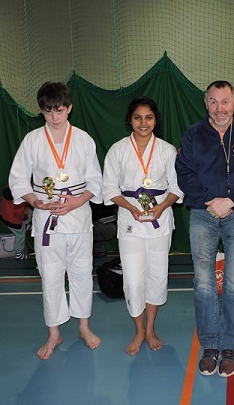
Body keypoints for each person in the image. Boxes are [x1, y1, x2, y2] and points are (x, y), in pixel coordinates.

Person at [175, 80, 234, 377]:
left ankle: (230, 346)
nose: (219, 108)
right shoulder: (193, 135)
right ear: (206, 104)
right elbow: (184, 173)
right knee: (203, 280)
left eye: (224, 101)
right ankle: (210, 346)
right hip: (202, 213)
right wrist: (207, 201)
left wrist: (231, 201)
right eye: (213, 102)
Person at [8, 81, 103, 360]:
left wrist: (77, 200)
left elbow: (95, 180)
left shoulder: (84, 139)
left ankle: (84, 327)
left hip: (78, 217)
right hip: (46, 217)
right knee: (50, 276)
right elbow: (18, 179)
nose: (54, 117)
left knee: (82, 273)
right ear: (42, 111)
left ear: (69, 108)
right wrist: (36, 201)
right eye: (48, 111)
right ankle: (54, 332)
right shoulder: (33, 141)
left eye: (59, 110)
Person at [102, 96, 183, 355]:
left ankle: (150, 330)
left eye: (148, 117)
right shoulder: (117, 150)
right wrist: (130, 207)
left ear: (155, 120)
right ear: (130, 120)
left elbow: (176, 188)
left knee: (157, 277)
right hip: (130, 221)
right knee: (134, 281)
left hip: (160, 221)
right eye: (138, 117)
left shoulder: (168, 150)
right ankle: (138, 330)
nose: (143, 123)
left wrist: (161, 206)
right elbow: (109, 188)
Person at [0, 185, 32, 259]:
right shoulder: (19, 199)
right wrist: (25, 217)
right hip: (13, 220)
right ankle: (18, 253)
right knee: (20, 236)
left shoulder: (10, 187)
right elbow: (19, 213)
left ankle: (27, 224)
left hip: (4, 212)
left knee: (29, 211)